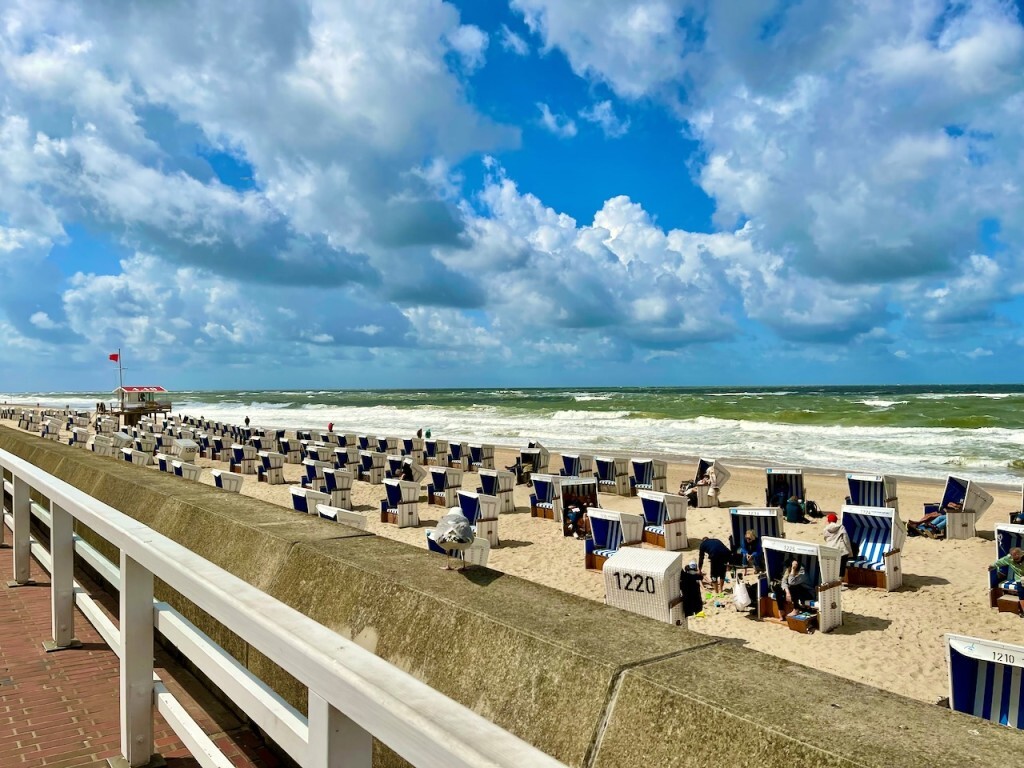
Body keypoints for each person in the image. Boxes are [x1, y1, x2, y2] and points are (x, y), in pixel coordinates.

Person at [989, 547, 1024, 616]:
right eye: (1015, 559)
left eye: (1018, 559)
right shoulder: (1009, 559)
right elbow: (999, 562)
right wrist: (992, 566)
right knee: (1022, 594)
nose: (1017, 561)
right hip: (1019, 579)